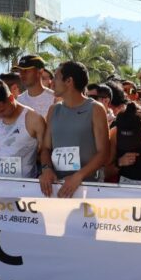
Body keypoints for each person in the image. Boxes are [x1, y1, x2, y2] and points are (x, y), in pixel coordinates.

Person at [39, 61, 110, 198]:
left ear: (69, 81)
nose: (51, 82)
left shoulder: (95, 108)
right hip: (58, 187)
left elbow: (104, 153)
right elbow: (46, 148)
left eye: (56, 77)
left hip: (87, 188)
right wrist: (46, 169)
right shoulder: (54, 109)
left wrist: (78, 176)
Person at [0, 80, 46, 179]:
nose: (0, 115)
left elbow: (45, 151)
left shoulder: (34, 119)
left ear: (11, 98)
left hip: (25, 183)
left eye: (2, 110)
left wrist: (45, 173)